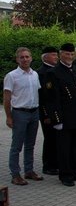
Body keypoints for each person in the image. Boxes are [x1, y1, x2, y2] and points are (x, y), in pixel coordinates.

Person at [45, 43, 76, 186]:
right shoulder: (53, 73)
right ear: (60, 55)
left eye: (71, 54)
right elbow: (52, 99)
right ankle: (65, 174)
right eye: (66, 54)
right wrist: (57, 120)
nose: (69, 57)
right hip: (65, 118)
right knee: (65, 148)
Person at [3, 47, 43, 185]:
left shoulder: (35, 74)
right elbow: (7, 99)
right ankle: (15, 174)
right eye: (22, 57)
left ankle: (29, 170)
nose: (25, 59)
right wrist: (9, 117)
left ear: (31, 58)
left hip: (34, 112)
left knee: (30, 144)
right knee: (17, 145)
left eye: (27, 57)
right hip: (20, 113)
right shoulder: (12, 76)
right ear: (17, 59)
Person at [37, 46, 59, 175]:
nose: (56, 57)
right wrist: (45, 114)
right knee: (50, 139)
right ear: (45, 57)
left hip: (57, 111)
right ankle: (48, 165)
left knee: (57, 138)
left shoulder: (55, 70)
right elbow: (42, 96)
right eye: (53, 55)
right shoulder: (41, 72)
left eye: (56, 55)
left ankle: (56, 162)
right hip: (47, 112)